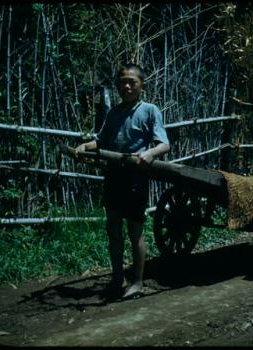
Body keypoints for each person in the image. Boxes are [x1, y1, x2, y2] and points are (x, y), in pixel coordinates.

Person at [75, 63, 170, 300]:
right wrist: (86, 146)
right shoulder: (114, 113)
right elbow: (103, 141)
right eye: (122, 82)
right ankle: (118, 278)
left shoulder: (150, 110)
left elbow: (164, 144)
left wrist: (149, 153)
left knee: (135, 230)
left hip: (135, 175)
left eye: (132, 82)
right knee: (113, 229)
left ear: (141, 85)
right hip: (113, 174)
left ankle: (137, 282)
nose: (126, 86)